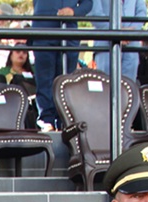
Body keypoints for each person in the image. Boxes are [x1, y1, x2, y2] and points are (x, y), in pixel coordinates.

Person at [32, 0, 92, 130]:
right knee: (44, 80)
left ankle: (64, 120)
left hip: (68, 32)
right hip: (43, 31)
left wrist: (74, 12)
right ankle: (46, 119)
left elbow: (88, 3)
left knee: (65, 82)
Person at [90, 0, 145, 80]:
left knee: (129, 86)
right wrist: (115, 31)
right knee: (106, 85)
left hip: (131, 45)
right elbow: (93, 14)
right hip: (106, 46)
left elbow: (141, 12)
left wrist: (131, 31)